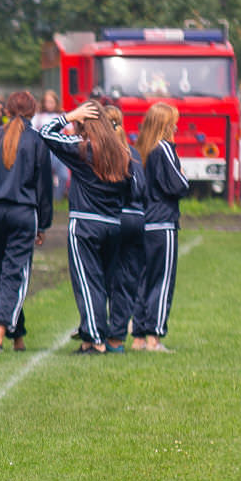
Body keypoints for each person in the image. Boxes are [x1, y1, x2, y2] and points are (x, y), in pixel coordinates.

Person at [40, 100, 131, 355]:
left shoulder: (82, 149)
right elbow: (132, 187)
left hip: (84, 223)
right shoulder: (122, 152)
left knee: (87, 281)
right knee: (102, 281)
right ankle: (93, 337)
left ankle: (95, 339)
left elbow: (45, 133)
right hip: (113, 224)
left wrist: (69, 115)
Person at [0, 91, 52, 353]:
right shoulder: (37, 141)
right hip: (23, 214)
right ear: (33, 111)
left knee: (1, 274)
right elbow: (44, 189)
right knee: (14, 274)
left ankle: (16, 336)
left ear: (6, 110)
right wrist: (43, 224)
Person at [132, 102, 188, 352]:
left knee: (142, 279)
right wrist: (183, 174)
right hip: (162, 222)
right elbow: (178, 185)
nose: (176, 125)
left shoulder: (140, 149)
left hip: (142, 220)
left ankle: (138, 336)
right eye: (173, 121)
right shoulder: (163, 148)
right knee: (162, 280)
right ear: (165, 124)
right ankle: (154, 336)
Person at [103, 105, 147, 353]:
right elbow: (141, 189)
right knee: (127, 279)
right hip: (136, 219)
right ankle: (117, 338)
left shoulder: (99, 151)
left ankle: (97, 333)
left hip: (111, 218)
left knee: (104, 277)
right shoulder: (133, 153)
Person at [31, 89, 71, 200]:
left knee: (63, 176)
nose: (49, 104)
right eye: (47, 101)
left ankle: (57, 198)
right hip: (44, 150)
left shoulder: (62, 115)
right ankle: (45, 198)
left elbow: (71, 130)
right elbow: (33, 131)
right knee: (44, 176)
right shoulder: (38, 116)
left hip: (59, 150)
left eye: (51, 101)